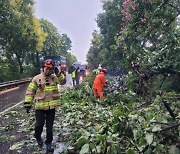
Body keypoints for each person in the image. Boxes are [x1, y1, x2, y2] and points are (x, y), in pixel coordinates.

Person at [24, 59, 66, 153]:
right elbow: (30, 92)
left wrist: (58, 73)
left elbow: (63, 82)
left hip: (51, 108)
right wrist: (28, 103)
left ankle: (48, 144)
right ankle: (38, 137)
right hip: (40, 107)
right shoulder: (36, 78)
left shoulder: (55, 77)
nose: (48, 70)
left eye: (50, 69)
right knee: (39, 125)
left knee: (49, 127)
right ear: (43, 68)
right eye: (47, 68)